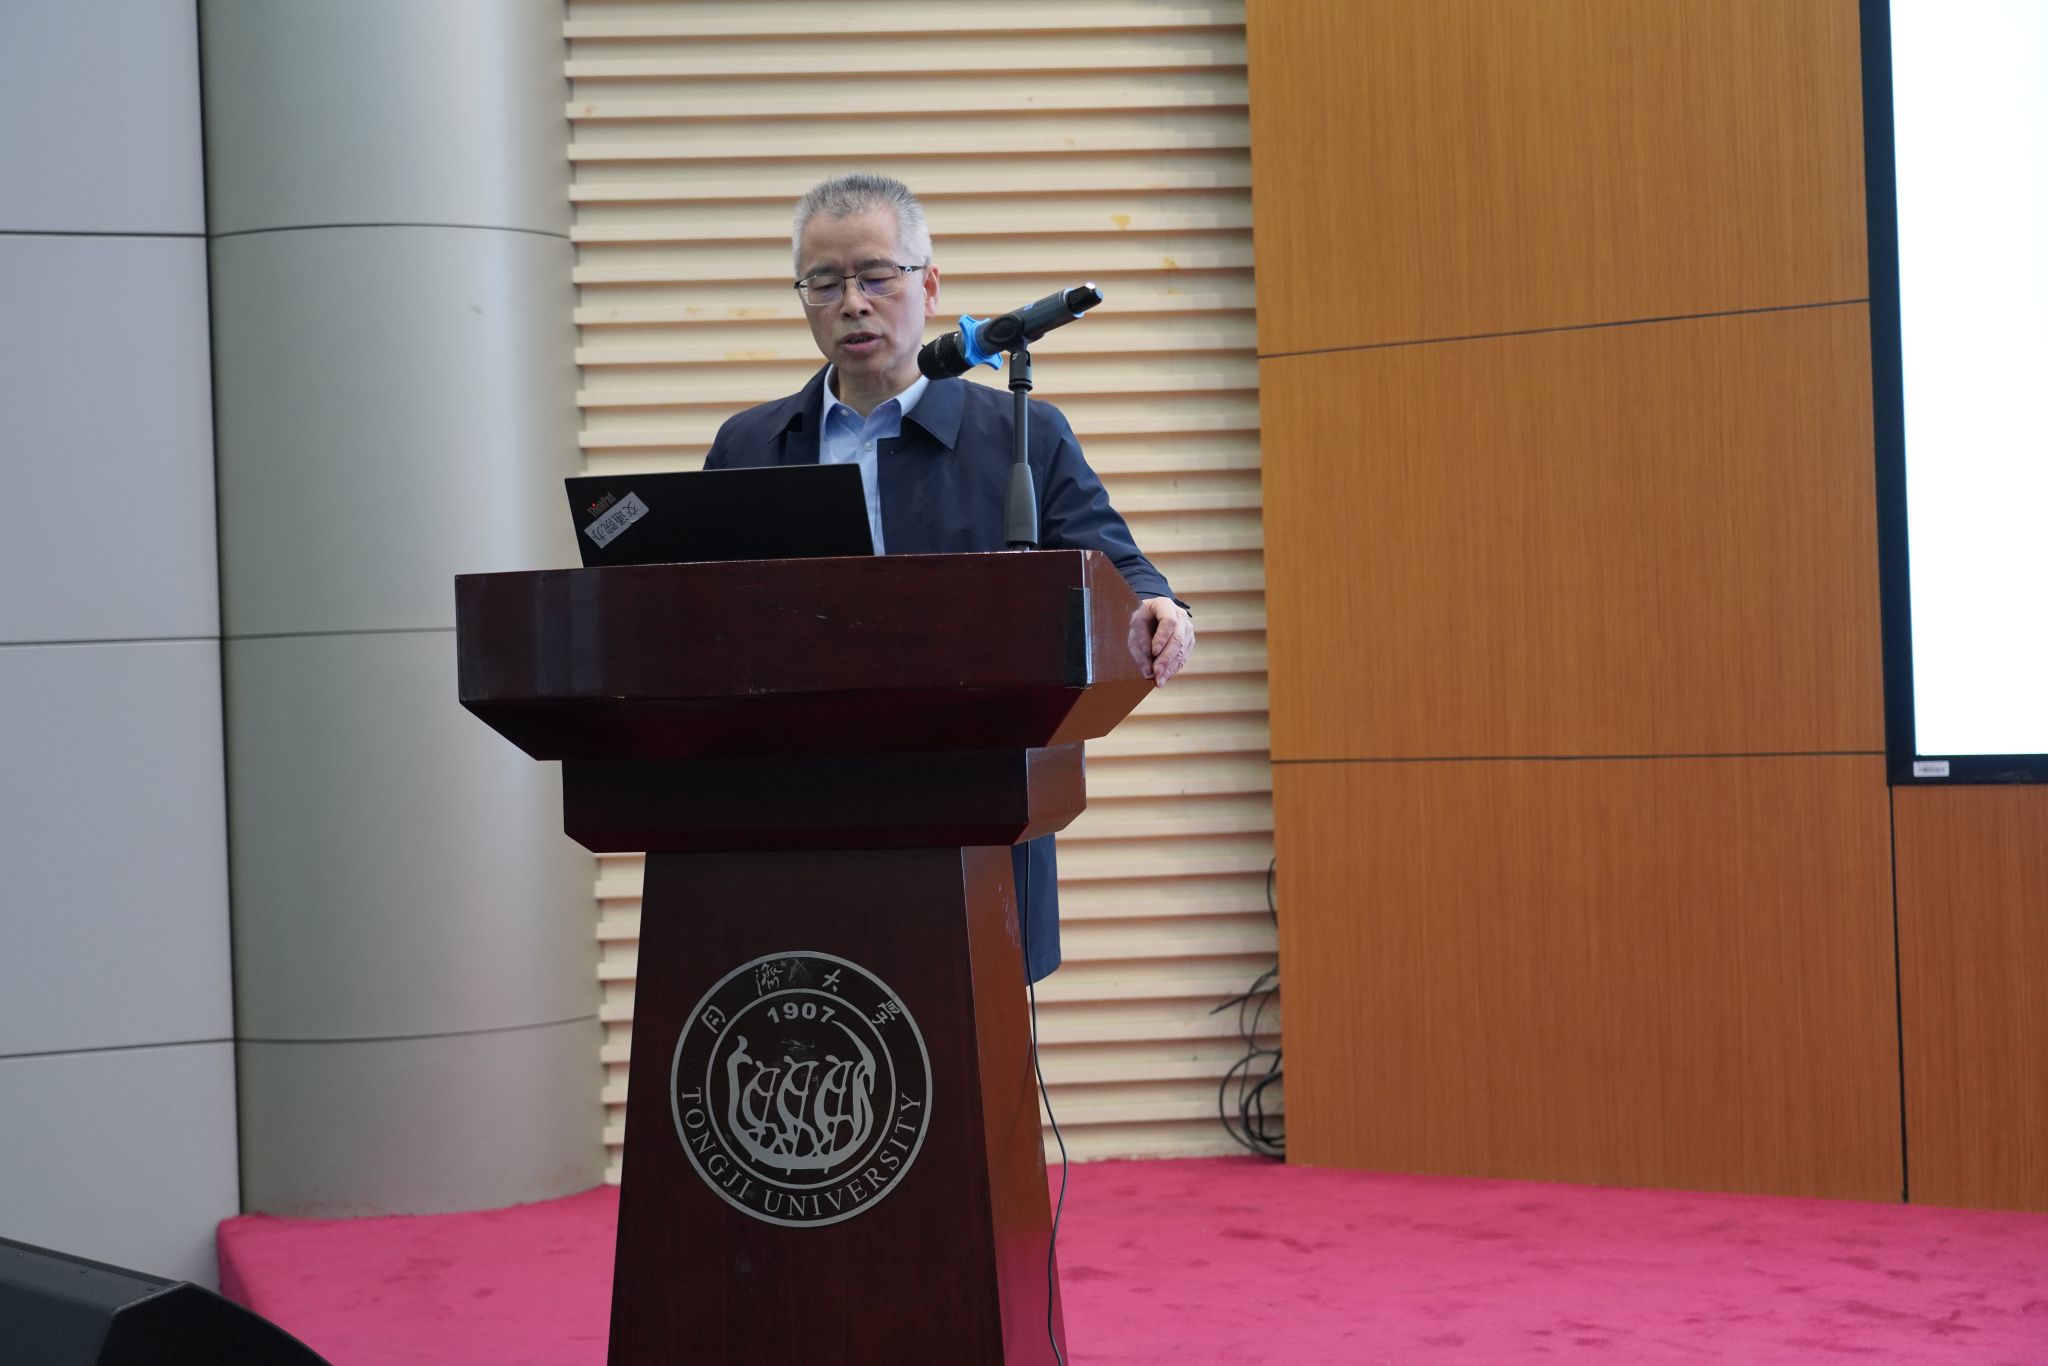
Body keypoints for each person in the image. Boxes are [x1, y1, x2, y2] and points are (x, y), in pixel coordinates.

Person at [704, 172, 1195, 983]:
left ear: (929, 286)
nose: (852, 303)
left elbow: (1118, 565)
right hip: (799, 807)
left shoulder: (1019, 433)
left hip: (976, 800)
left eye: (875, 276)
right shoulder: (751, 445)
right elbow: (699, 612)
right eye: (824, 283)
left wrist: (1158, 606)